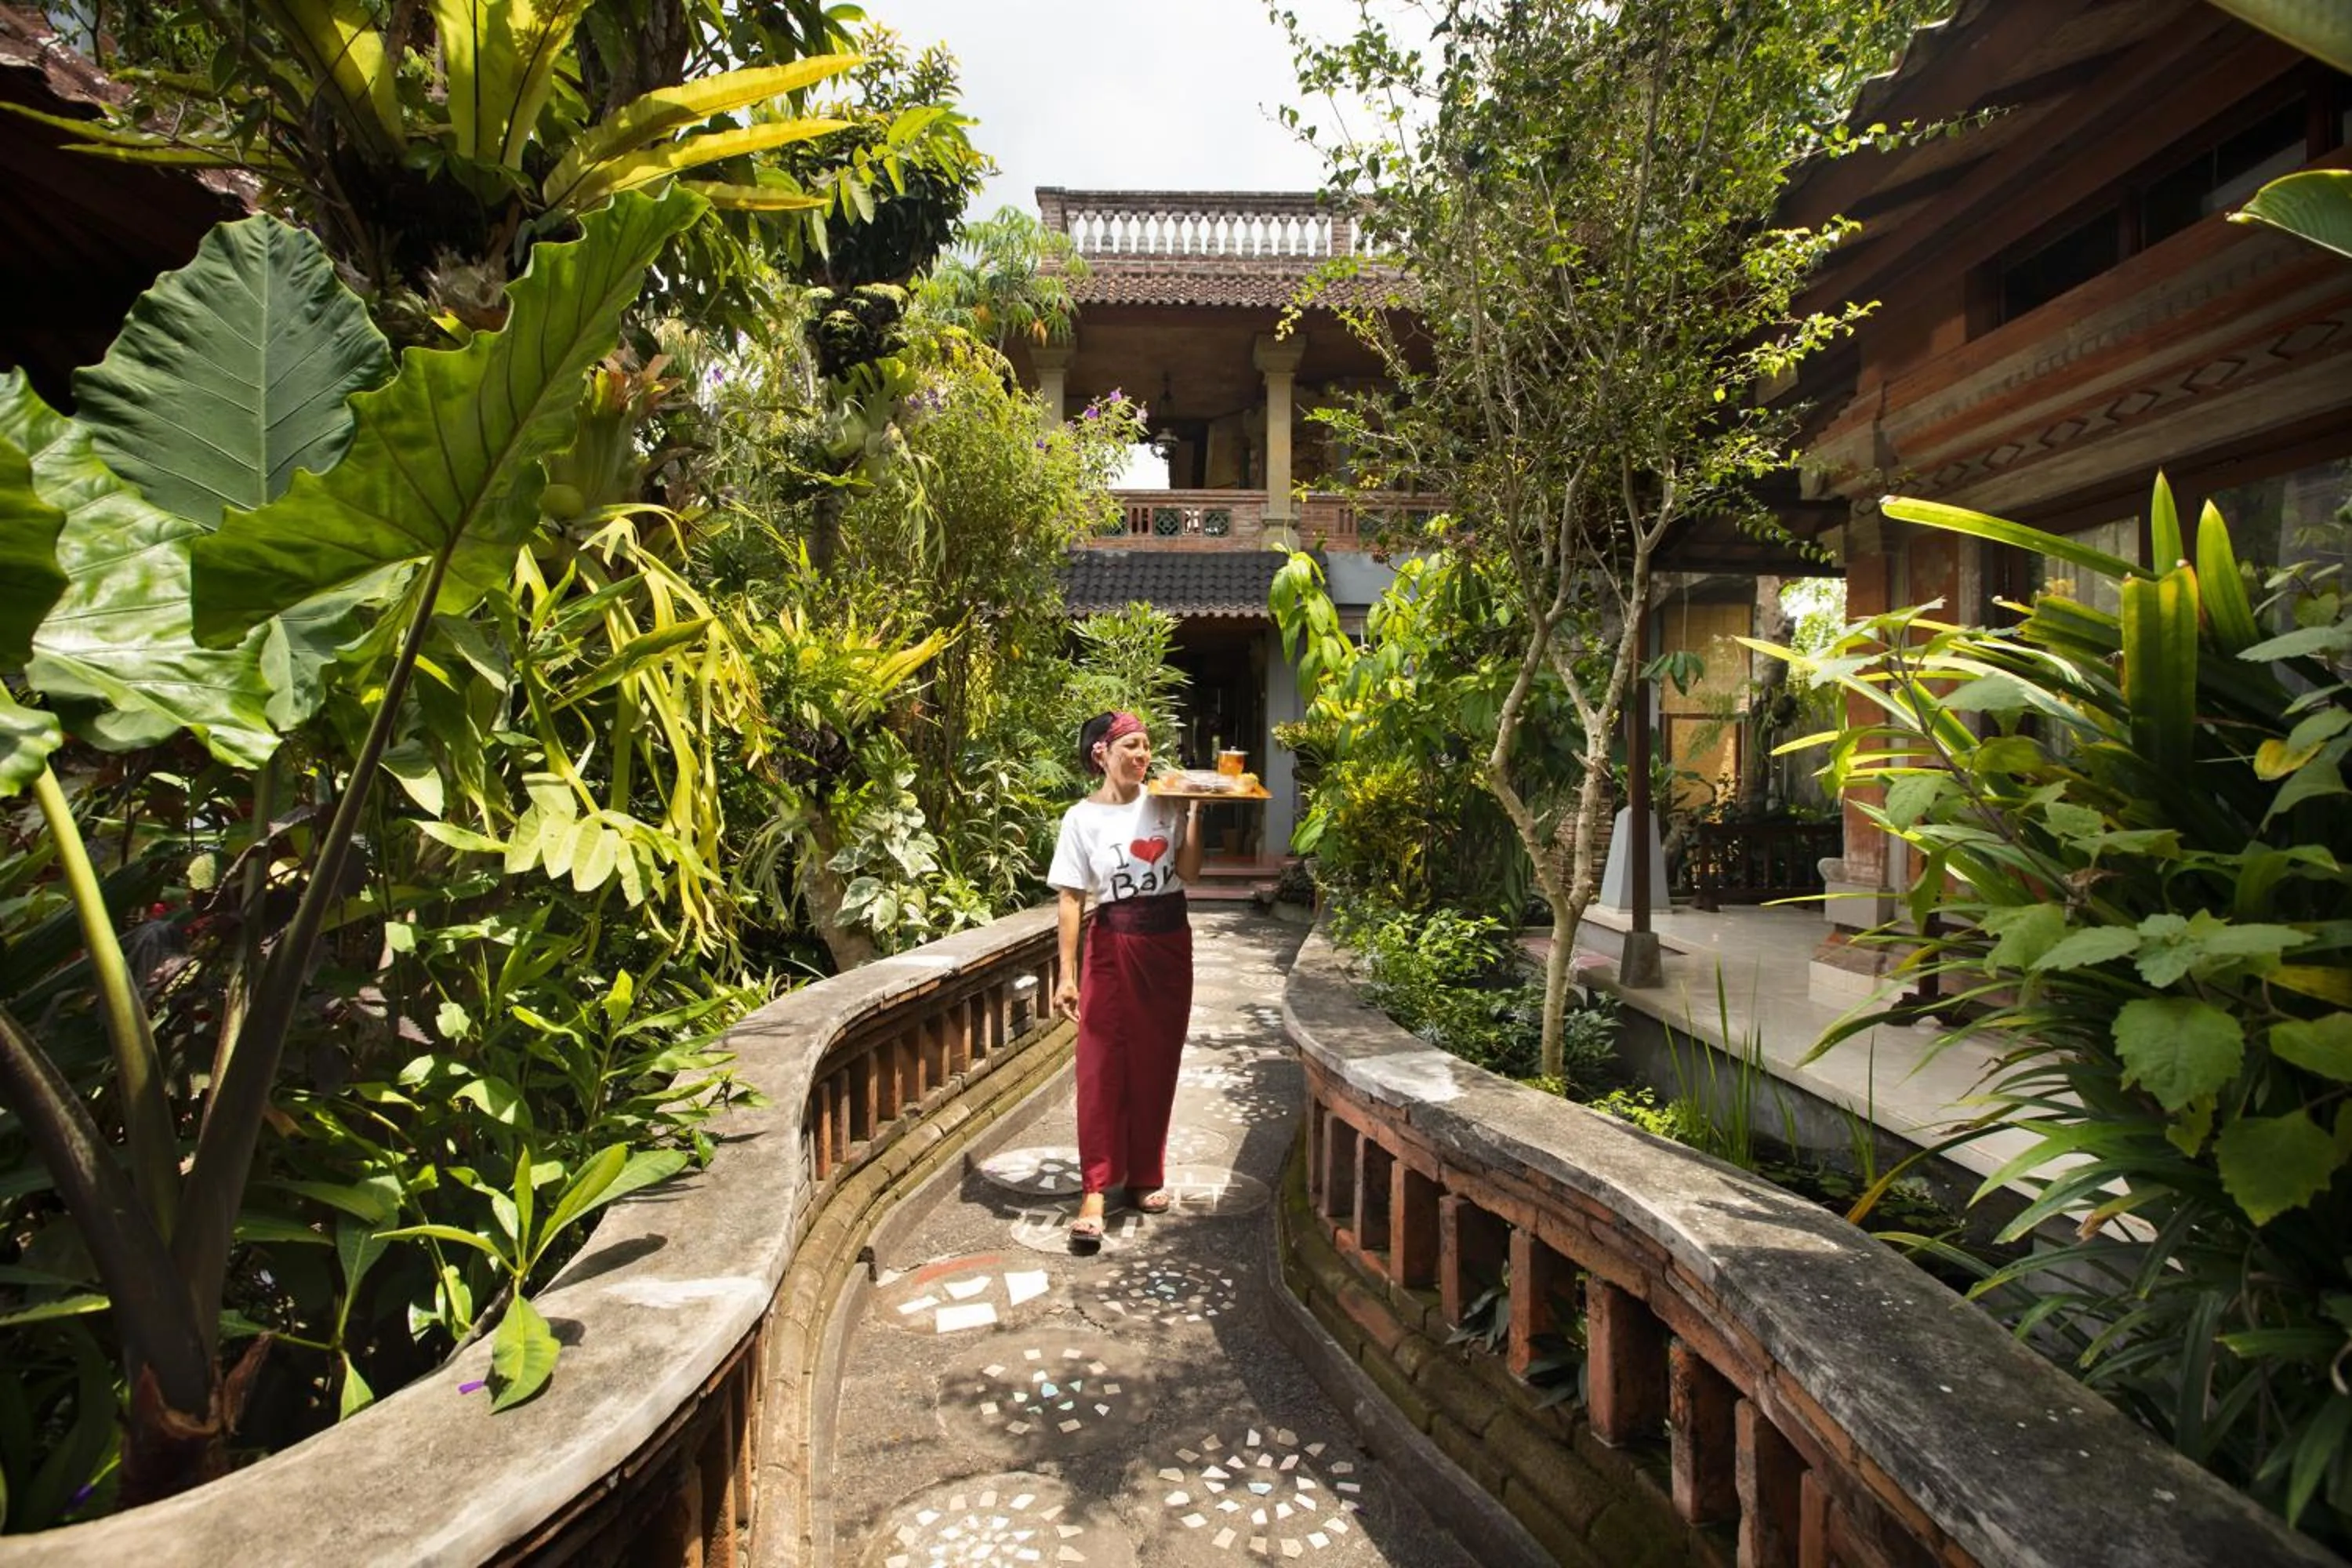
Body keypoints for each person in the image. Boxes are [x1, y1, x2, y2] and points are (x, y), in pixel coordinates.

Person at [1047, 710, 1204, 1253]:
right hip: (1113, 945)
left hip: (1169, 944)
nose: (1142, 756)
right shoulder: (1080, 820)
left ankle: (1144, 1176)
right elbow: (1071, 897)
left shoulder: (1164, 800)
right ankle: (1095, 1189)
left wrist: (1193, 815)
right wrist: (1067, 973)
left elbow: (1189, 873)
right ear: (1102, 754)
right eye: (1131, 747)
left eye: (1146, 747)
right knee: (1100, 1066)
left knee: (1156, 1061)